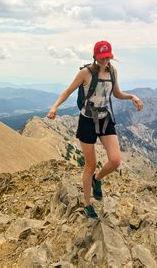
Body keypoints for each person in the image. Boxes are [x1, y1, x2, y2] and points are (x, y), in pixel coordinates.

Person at [46, 40, 143, 219]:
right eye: (102, 58)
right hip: (87, 121)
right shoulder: (85, 73)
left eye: (107, 58)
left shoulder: (113, 72)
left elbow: (116, 93)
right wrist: (55, 107)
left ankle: (97, 180)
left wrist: (132, 97)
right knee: (90, 164)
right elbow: (67, 91)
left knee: (115, 161)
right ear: (95, 57)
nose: (105, 61)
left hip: (105, 119)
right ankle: (87, 203)